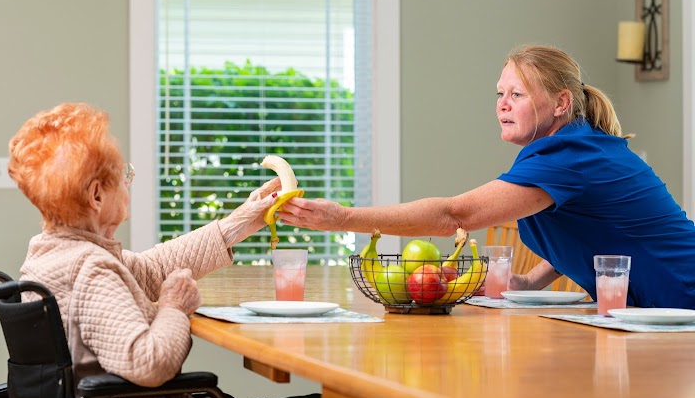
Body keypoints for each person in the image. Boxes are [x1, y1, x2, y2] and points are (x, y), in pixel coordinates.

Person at [8, 102, 370, 398]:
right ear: (97, 195)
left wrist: (240, 222)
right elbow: (148, 362)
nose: (128, 182)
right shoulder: (89, 269)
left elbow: (150, 268)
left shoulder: (54, 256)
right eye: (124, 174)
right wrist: (173, 306)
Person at [278, 44, 695, 309]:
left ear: (561, 103)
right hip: (660, 312)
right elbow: (595, 225)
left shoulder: (569, 156)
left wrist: (344, 218)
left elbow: (453, 215)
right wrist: (529, 281)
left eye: (517, 94)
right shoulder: (568, 150)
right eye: (500, 94)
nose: (503, 105)